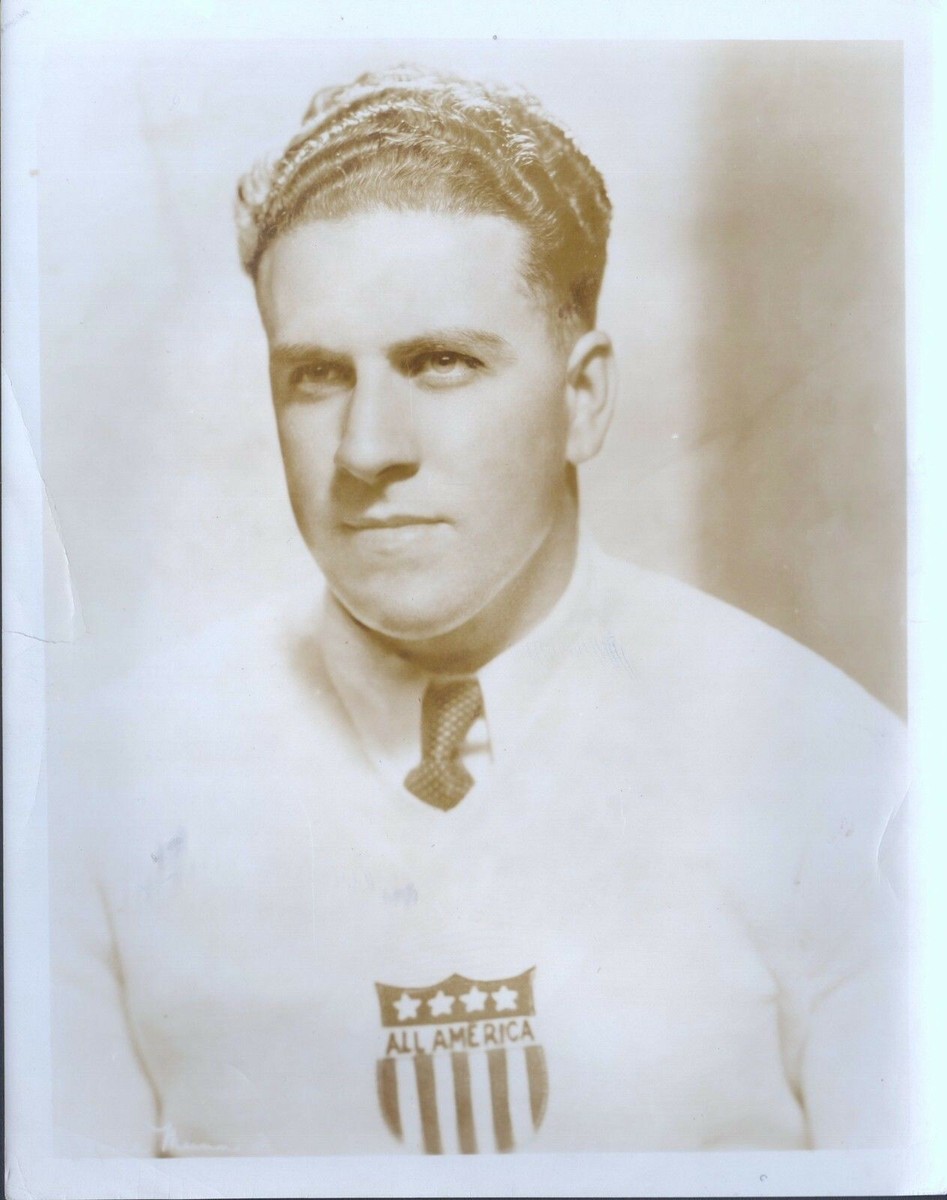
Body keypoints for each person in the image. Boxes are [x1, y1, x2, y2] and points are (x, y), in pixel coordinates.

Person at [52, 65, 910, 1158]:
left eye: (441, 363)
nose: (367, 449)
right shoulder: (102, 796)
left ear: (581, 398)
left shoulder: (834, 772)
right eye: (316, 376)